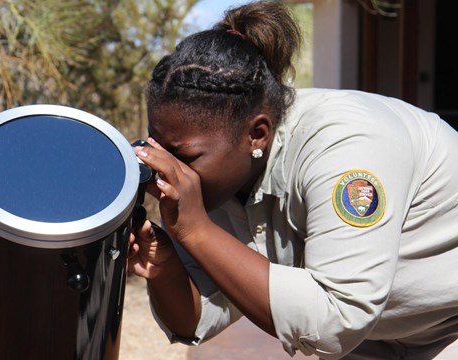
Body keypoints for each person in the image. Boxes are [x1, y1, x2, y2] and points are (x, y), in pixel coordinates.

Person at [127, 1, 458, 359]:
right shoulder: (218, 180)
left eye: (185, 156)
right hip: (378, 338)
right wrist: (164, 268)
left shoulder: (344, 146)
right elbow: (198, 318)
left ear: (257, 134)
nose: (170, 168)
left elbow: (335, 319)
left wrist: (197, 231)